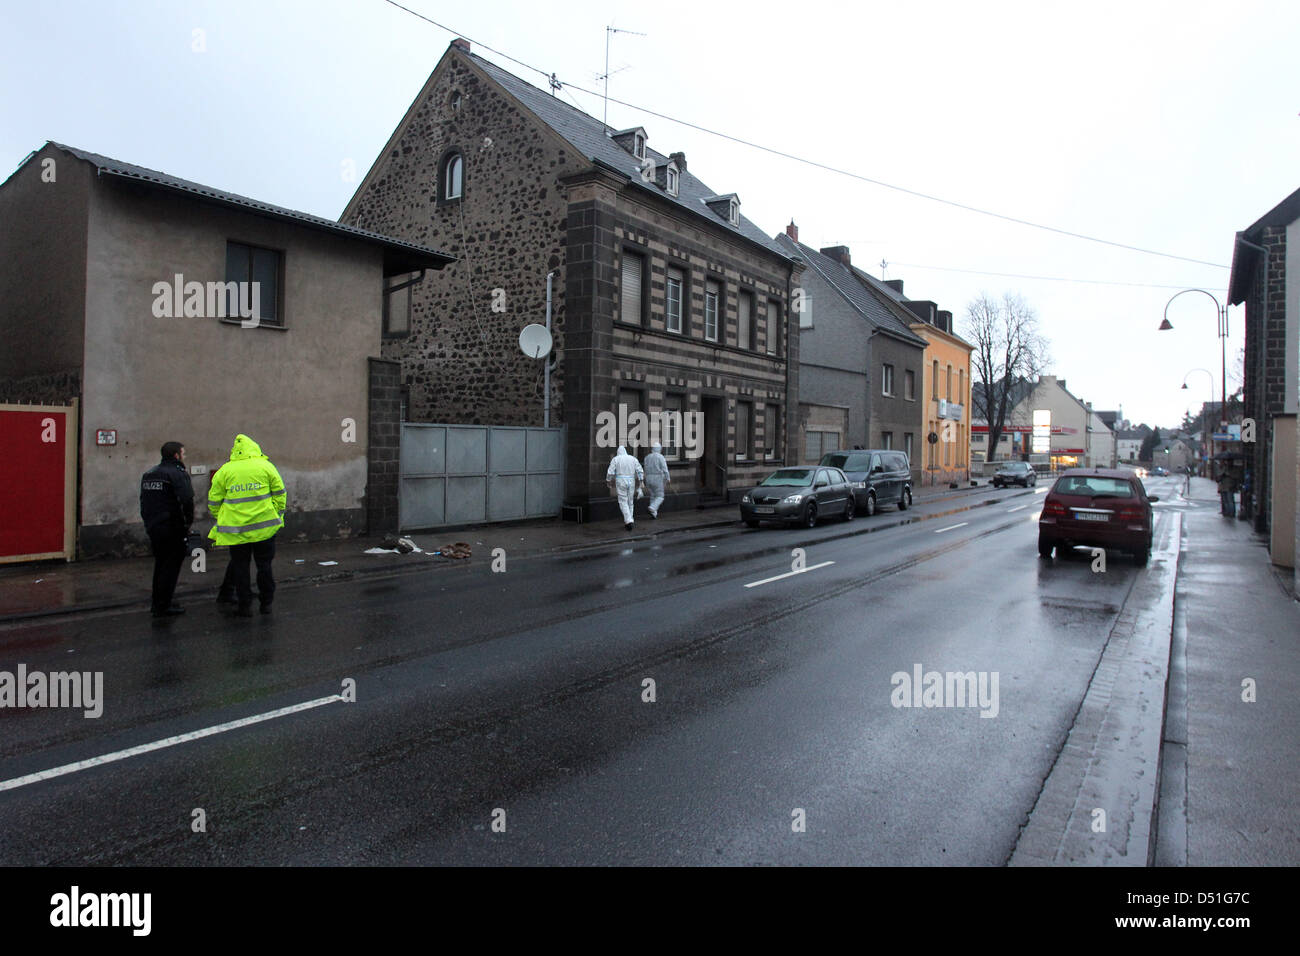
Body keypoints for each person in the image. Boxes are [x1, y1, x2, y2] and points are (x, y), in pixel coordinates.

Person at [208, 434, 286, 616]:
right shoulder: (266, 466)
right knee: (264, 566)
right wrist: (276, 514)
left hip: (236, 530)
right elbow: (280, 494)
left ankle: (244, 605)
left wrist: (223, 517)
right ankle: (266, 602)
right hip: (265, 528)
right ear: (255, 448)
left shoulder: (225, 470)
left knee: (240, 567)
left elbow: (213, 501)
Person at [140, 441, 194, 616]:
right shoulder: (178, 474)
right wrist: (187, 524)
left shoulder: (150, 474)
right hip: (172, 526)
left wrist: (149, 522)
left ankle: (158, 601)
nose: (184, 457)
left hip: (154, 525)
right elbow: (186, 501)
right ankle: (164, 604)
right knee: (171, 567)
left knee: (161, 564)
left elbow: (144, 502)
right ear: (176, 455)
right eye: (183, 453)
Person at [606, 445, 644, 531]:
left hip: (621, 480)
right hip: (631, 480)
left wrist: (608, 480)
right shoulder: (633, 459)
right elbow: (640, 470)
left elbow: (610, 471)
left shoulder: (616, 459)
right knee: (630, 501)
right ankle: (630, 520)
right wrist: (641, 481)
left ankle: (628, 520)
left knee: (623, 501)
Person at [643, 442, 670, 519]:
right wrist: (668, 478)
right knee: (660, 496)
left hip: (648, 477)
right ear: (659, 449)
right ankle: (652, 507)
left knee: (653, 496)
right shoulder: (660, 457)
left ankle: (654, 513)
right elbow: (665, 469)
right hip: (657, 478)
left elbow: (645, 468)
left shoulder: (647, 457)